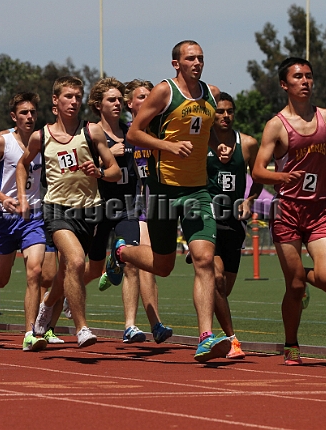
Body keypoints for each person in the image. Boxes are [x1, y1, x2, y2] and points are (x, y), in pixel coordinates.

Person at [115, 40, 230, 362]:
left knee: (204, 260)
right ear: (175, 63)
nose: (197, 63)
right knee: (163, 267)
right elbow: (134, 134)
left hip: (197, 191)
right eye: (190, 58)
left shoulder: (212, 94)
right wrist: (167, 146)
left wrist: (220, 147)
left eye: (201, 58)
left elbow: (207, 130)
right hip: (164, 192)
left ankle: (205, 336)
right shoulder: (165, 92)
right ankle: (122, 251)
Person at [252, 57, 326, 365]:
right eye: (298, 77)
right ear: (285, 84)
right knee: (294, 285)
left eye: (309, 76)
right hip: (287, 211)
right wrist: (280, 177)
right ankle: (291, 344)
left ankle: (305, 280)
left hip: (319, 209)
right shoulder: (276, 125)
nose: (305, 81)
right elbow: (258, 171)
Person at [24, 76, 121, 348]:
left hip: (89, 210)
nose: (74, 101)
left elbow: (115, 171)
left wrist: (100, 171)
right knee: (77, 262)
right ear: (56, 100)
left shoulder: (92, 132)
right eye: (68, 96)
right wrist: (22, 196)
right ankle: (81, 328)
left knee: (67, 270)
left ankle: (47, 302)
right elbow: (23, 165)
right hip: (56, 208)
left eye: (78, 96)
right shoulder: (40, 136)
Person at [0, 91, 49, 351]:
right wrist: (2, 198)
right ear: (14, 117)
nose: (29, 117)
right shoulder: (3, 141)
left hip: (32, 215)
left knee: (35, 271)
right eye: (24, 113)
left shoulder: (43, 140)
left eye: (33, 112)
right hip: (5, 217)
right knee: (1, 279)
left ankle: (30, 333)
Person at [81, 77, 147, 343]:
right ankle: (64, 294)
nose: (118, 103)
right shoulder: (89, 133)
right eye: (112, 99)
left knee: (131, 260)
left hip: (126, 206)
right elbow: (81, 170)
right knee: (93, 270)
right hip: (98, 206)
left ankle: (130, 325)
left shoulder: (133, 131)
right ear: (98, 105)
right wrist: (107, 155)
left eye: (120, 99)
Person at [205, 92, 263, 359]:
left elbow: (260, 174)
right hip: (207, 220)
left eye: (229, 111)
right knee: (214, 279)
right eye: (220, 111)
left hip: (234, 224)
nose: (225, 116)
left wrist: (251, 198)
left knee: (223, 290)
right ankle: (231, 339)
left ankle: (209, 326)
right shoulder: (201, 141)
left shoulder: (248, 143)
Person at [122, 78, 173, 343]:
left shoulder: (159, 131)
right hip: (129, 205)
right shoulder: (123, 133)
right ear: (129, 103)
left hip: (156, 202)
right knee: (138, 264)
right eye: (141, 97)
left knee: (147, 264)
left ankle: (153, 324)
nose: (147, 100)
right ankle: (137, 325)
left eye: (149, 96)